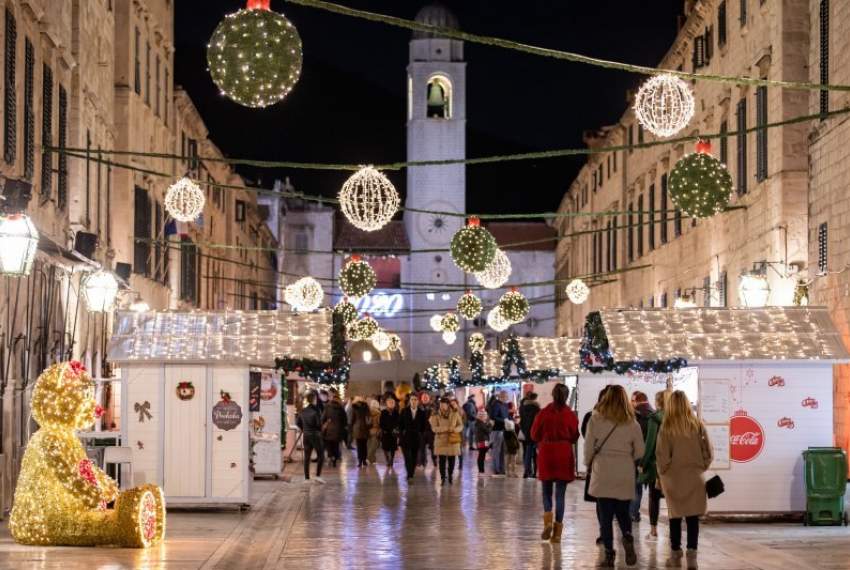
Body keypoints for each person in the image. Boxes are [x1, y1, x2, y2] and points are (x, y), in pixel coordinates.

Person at [584, 384, 644, 568]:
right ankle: (627, 534)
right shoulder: (632, 422)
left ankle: (609, 554)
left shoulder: (596, 419)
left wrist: (588, 464)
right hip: (624, 470)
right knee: (623, 511)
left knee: (606, 516)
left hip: (603, 470)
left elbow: (587, 447)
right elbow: (640, 451)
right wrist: (629, 458)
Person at [656, 390, 713, 565]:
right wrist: (701, 466)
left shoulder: (666, 427)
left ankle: (675, 553)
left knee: (675, 516)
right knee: (692, 517)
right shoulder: (697, 424)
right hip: (695, 477)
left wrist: (664, 472)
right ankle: (692, 555)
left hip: (673, 478)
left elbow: (662, 456)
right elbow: (708, 452)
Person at [531, 383, 579, 544]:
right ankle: (557, 534)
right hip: (563, 453)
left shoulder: (543, 413)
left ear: (552, 395)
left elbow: (534, 434)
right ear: (566, 396)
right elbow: (574, 436)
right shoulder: (570, 415)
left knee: (546, 492)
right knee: (560, 495)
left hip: (547, 453)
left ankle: (547, 522)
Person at [639, 390, 669, 540]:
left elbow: (650, 443)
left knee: (654, 496)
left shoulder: (655, 418)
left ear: (658, 402)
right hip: (673, 464)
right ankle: (673, 527)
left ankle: (653, 530)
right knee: (672, 497)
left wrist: (643, 462)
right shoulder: (676, 418)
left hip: (656, 464)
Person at [629, 391, 655, 522]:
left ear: (637, 401)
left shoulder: (633, 415)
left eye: (633, 401)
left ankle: (632, 512)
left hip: (635, 455)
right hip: (651, 457)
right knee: (652, 491)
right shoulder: (654, 415)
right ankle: (651, 519)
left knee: (635, 486)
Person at [430, 397, 463, 485]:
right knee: (442, 460)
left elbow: (461, 425)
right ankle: (443, 477)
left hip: (452, 439)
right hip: (441, 441)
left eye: (444, 404)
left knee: (452, 459)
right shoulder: (435, 415)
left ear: (448, 405)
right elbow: (434, 428)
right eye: (441, 404)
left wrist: (455, 430)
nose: (442, 406)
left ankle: (450, 475)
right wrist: (446, 429)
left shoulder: (455, 414)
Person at [296, 391, 325, 484]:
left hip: (306, 435)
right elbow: (319, 425)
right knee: (321, 455)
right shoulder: (316, 411)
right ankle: (318, 476)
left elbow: (298, 423)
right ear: (314, 400)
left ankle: (306, 478)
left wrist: (304, 429)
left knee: (307, 457)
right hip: (315, 435)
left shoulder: (302, 411)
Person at [399, 393, 428, 481]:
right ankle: (410, 475)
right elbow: (400, 424)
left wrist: (421, 435)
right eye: (412, 399)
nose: (414, 401)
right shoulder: (404, 411)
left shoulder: (422, 413)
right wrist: (401, 435)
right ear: (409, 401)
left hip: (416, 438)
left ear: (418, 401)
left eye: (415, 400)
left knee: (414, 457)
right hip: (406, 438)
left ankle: (411, 473)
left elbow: (424, 426)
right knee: (407, 457)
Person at [321, 390, 347, 467]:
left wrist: (326, 422)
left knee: (329, 445)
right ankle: (335, 459)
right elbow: (345, 420)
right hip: (338, 430)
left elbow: (322, 418)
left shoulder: (327, 407)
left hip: (329, 430)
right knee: (336, 445)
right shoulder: (341, 409)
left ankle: (330, 457)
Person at [520, 392, 541, 478]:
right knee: (535, 454)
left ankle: (526, 471)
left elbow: (522, 421)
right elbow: (538, 422)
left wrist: (524, 430)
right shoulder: (537, 409)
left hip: (526, 433)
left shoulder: (523, 408)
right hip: (534, 433)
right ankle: (535, 472)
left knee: (527, 453)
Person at [489, 391, 510, 477]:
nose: (507, 398)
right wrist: (504, 420)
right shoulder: (496, 404)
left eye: (507, 396)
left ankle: (502, 469)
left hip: (503, 429)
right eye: (505, 396)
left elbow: (506, 415)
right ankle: (496, 469)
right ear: (501, 396)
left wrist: (510, 419)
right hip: (497, 429)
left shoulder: (505, 405)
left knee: (502, 451)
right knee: (496, 451)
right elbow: (493, 416)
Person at [350, 397, 371, 468]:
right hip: (364, 428)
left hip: (357, 428)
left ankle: (360, 461)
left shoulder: (354, 407)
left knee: (359, 446)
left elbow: (352, 419)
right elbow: (369, 417)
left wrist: (351, 428)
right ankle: (363, 460)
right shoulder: (366, 407)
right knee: (364, 445)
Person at [380, 396, 401, 467]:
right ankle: (387, 459)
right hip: (385, 433)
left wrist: (396, 429)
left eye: (392, 402)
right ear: (387, 404)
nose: (391, 404)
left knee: (392, 448)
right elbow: (381, 422)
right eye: (389, 402)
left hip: (393, 433)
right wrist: (384, 429)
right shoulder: (383, 412)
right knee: (385, 447)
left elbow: (398, 422)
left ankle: (391, 460)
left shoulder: (396, 412)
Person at [449, 398, 465, 469]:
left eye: (454, 404)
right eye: (451, 404)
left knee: (459, 449)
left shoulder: (460, 411)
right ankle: (452, 464)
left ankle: (460, 464)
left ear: (457, 404)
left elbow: (463, 422)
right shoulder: (450, 411)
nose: (453, 405)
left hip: (459, 432)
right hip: (451, 432)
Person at [474, 410, 492, 475]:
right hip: (482, 441)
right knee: (481, 456)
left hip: (481, 440)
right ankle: (481, 471)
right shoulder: (480, 423)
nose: (484, 417)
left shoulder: (479, 423)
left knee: (482, 455)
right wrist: (490, 425)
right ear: (479, 416)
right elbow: (488, 431)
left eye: (485, 415)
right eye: (483, 415)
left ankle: (481, 471)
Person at [367, 398, 382, 466]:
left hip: (369, 431)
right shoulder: (379, 414)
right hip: (376, 431)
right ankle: (369, 458)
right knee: (374, 446)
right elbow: (380, 423)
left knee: (369, 445)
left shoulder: (368, 412)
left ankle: (372, 460)